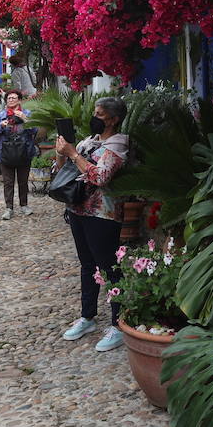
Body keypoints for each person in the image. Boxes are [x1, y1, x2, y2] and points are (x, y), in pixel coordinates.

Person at [56, 96, 130, 352]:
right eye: (95, 112)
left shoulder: (118, 144)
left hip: (103, 214)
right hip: (78, 210)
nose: (94, 118)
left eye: (100, 114)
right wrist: (62, 154)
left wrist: (74, 154)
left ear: (113, 119)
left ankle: (118, 323)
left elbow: (101, 176)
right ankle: (87, 316)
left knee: (109, 268)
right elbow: (66, 170)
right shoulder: (90, 141)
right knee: (87, 265)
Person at [0, 89, 38, 220]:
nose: (11, 100)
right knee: (8, 182)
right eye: (9, 98)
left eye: (14, 98)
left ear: (19, 100)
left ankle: (24, 205)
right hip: (6, 152)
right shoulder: (1, 114)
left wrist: (25, 119)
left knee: (23, 181)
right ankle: (9, 208)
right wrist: (2, 125)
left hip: (24, 151)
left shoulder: (27, 113)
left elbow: (34, 130)